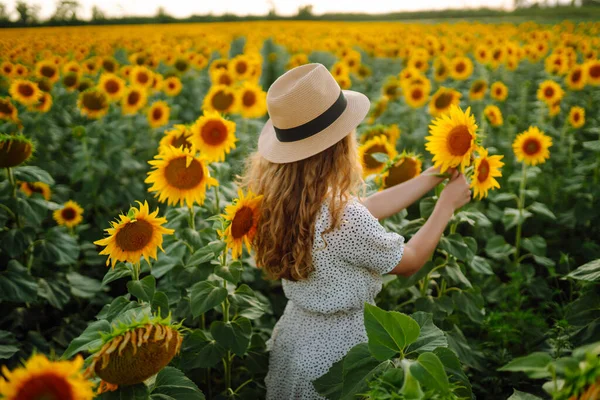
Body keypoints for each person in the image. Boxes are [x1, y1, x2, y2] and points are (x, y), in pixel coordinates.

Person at [240, 63, 471, 399]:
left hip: (295, 340)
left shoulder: (281, 201)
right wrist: (446, 205)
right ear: (340, 147)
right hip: (341, 356)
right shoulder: (343, 218)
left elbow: (362, 209)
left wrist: (430, 178)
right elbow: (410, 261)